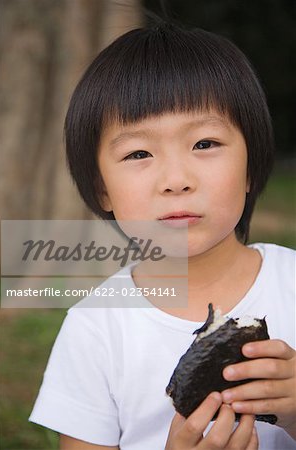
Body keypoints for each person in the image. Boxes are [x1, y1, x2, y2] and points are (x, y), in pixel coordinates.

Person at [29, 21, 296, 450]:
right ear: (102, 188)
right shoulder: (95, 329)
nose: (176, 179)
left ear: (250, 165)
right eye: (139, 153)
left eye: (205, 143)